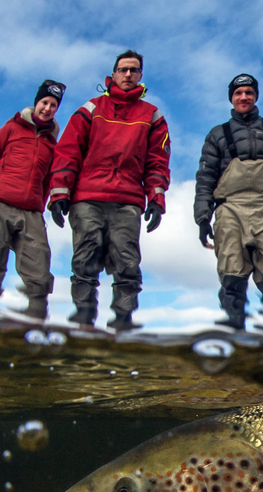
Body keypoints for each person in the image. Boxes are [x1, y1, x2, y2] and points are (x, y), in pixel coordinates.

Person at [47, 50, 171, 331]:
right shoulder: (90, 109)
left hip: (127, 201)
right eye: (123, 69)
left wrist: (156, 198)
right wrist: (59, 194)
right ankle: (83, 320)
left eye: (134, 70)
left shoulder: (152, 116)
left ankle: (123, 323)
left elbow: (158, 161)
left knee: (128, 265)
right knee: (84, 261)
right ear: (112, 74)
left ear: (140, 76)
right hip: (87, 197)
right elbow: (68, 151)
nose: (128, 75)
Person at [194, 73, 263, 332]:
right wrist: (202, 218)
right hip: (228, 208)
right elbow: (205, 179)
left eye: (248, 92)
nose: (243, 97)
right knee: (232, 276)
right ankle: (236, 339)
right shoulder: (217, 134)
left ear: (255, 96)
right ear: (231, 98)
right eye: (238, 93)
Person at [0, 80, 65, 319]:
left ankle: (34, 328)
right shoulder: (10, 130)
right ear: (36, 103)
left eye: (53, 105)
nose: (48, 108)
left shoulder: (52, 145)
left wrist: (37, 206)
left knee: (39, 274)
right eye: (45, 102)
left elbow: (47, 183)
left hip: (31, 213)